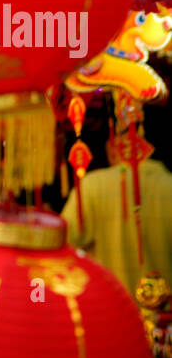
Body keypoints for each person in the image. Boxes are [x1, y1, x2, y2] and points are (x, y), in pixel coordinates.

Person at [62, 105, 172, 297]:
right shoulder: (168, 186)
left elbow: (63, 243)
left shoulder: (92, 186)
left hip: (112, 312)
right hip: (164, 316)